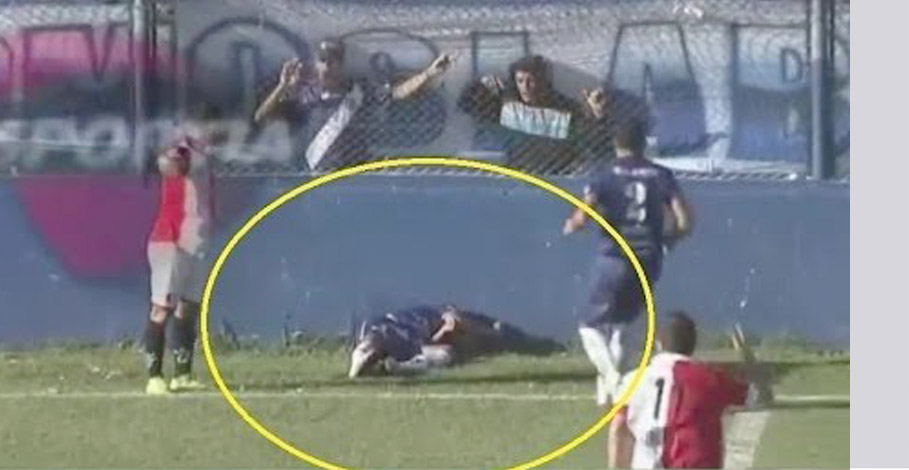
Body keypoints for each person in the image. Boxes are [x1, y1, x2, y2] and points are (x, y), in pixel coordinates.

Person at [562, 120, 694, 405]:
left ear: (615, 143)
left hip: (615, 256)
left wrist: (573, 223)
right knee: (623, 323)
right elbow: (685, 221)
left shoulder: (606, 174)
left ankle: (612, 378)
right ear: (643, 144)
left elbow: (584, 213)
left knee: (590, 325)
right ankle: (610, 392)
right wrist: (669, 239)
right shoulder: (661, 175)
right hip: (648, 257)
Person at [253, 38, 454, 171]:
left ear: (341, 64)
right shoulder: (304, 98)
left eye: (333, 60)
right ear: (315, 64)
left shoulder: (359, 91)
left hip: (355, 173)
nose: (328, 66)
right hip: (317, 176)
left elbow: (397, 93)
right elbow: (261, 117)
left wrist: (428, 74)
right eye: (323, 60)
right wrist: (282, 87)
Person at [607, 312, 773, 469]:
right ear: (693, 345)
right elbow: (762, 396)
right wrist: (748, 357)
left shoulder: (632, 380)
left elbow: (618, 429)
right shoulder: (709, 379)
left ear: (659, 343)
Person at [142, 104, 221, 395]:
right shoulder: (181, 150)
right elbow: (168, 164)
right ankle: (154, 377)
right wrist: (173, 157)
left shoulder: (205, 154)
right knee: (162, 308)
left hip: (197, 241)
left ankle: (182, 374)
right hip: (171, 240)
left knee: (188, 308)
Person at [457, 55, 614, 174]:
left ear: (543, 81)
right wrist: (481, 86)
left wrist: (597, 114)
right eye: (520, 81)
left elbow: (596, 146)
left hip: (555, 177)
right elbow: (467, 105)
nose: (526, 87)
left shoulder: (564, 111)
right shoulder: (506, 105)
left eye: (531, 80)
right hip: (513, 176)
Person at [348, 304, 565, 378]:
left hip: (397, 338)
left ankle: (385, 364)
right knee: (446, 354)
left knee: (447, 352)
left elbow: (438, 336)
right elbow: (451, 325)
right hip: (394, 335)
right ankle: (391, 366)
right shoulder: (432, 318)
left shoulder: (429, 319)